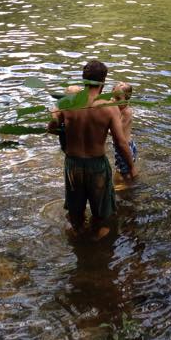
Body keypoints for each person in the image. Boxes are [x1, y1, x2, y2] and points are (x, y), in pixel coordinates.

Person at [48, 60, 136, 238]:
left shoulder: (67, 103)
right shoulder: (108, 108)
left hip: (73, 165)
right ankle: (97, 243)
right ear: (103, 82)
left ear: (83, 80)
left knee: (75, 213)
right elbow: (120, 142)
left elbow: (51, 128)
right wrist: (132, 168)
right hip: (97, 166)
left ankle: (79, 239)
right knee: (101, 213)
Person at [111, 82, 137, 181]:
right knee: (124, 169)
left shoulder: (126, 112)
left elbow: (117, 131)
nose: (113, 100)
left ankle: (125, 186)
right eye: (112, 97)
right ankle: (129, 182)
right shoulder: (119, 109)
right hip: (123, 146)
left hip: (125, 147)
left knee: (122, 171)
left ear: (127, 99)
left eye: (117, 99)